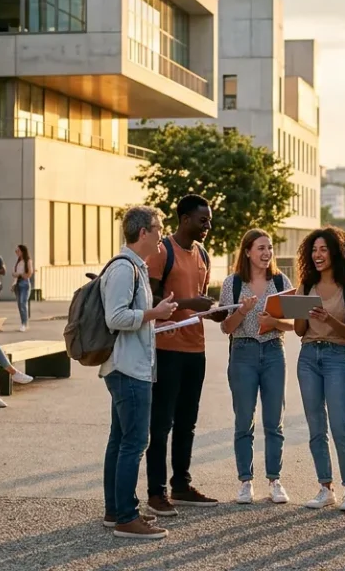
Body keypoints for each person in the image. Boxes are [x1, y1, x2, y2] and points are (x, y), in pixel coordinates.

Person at [102, 205, 178, 540]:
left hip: (129, 364)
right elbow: (115, 318)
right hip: (128, 369)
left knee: (121, 440)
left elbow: (132, 319)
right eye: (158, 227)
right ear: (143, 232)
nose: (162, 233)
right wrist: (153, 313)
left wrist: (158, 320)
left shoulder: (136, 268)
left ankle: (115, 510)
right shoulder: (125, 269)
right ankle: (126, 517)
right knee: (133, 442)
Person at [144, 194, 222, 515]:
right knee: (161, 423)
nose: (208, 226)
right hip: (166, 348)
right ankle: (156, 492)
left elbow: (199, 300)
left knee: (187, 422)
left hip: (195, 349)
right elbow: (152, 299)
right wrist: (192, 305)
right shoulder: (162, 252)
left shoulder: (203, 254)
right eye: (203, 220)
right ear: (185, 218)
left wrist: (215, 312)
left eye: (210, 221)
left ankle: (181, 484)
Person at [218, 229, 294, 506]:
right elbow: (225, 327)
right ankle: (245, 482)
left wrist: (273, 322)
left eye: (270, 248)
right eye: (261, 248)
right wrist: (242, 311)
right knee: (243, 420)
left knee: (274, 421)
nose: (266, 254)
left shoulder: (281, 281)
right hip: (243, 352)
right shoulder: (232, 284)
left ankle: (275, 480)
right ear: (248, 251)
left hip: (274, 351)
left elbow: (294, 324)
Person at [294, 226, 345, 512]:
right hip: (309, 355)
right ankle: (325, 487)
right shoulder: (306, 286)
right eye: (314, 250)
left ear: (337, 252)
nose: (317, 255)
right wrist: (301, 312)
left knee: (340, 425)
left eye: (323, 249)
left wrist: (327, 318)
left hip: (337, 355)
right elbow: (300, 331)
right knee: (315, 426)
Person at [13, 244, 34, 332]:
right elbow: (15, 273)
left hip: (24, 283)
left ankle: (24, 324)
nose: (16, 252)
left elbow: (29, 273)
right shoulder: (18, 261)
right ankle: (23, 322)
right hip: (17, 283)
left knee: (23, 303)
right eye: (16, 251)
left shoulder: (27, 260)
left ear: (22, 251)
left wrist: (21, 275)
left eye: (18, 251)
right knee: (19, 304)